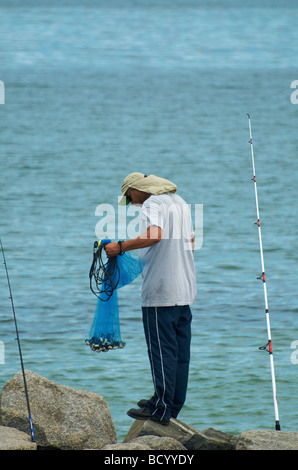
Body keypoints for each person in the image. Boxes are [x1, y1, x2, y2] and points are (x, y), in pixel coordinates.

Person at [105, 172, 197, 425]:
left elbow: (155, 235)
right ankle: (171, 404)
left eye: (129, 196)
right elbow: (190, 240)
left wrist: (120, 247)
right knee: (180, 353)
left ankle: (160, 408)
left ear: (138, 189)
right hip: (185, 289)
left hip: (161, 292)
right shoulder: (180, 202)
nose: (131, 202)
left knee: (162, 351)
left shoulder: (152, 203)